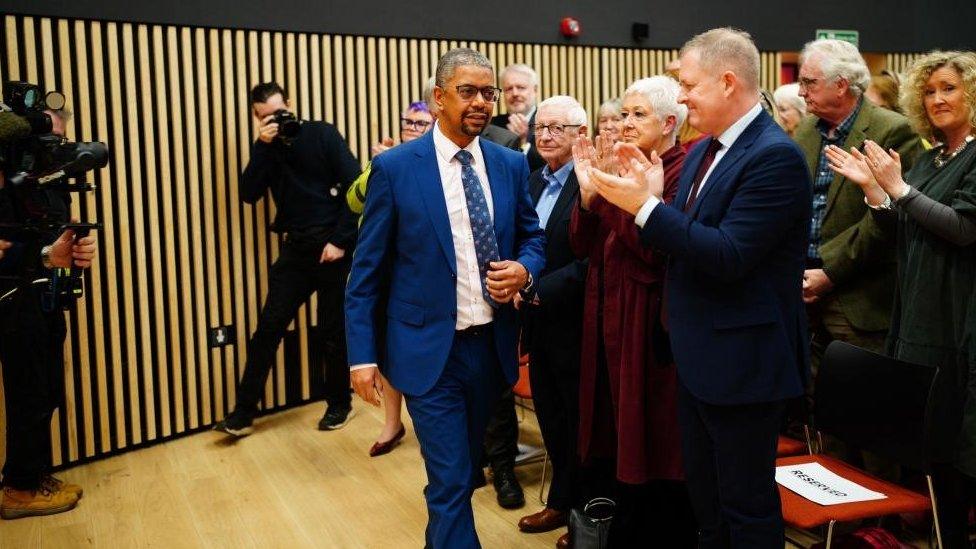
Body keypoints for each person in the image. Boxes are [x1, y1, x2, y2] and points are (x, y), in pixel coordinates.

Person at [585, 28, 812, 546]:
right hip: (695, 355)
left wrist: (643, 208)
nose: (682, 97)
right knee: (706, 502)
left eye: (688, 85)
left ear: (728, 82)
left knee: (745, 505)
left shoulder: (773, 156)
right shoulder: (705, 148)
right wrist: (650, 202)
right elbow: (681, 242)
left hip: (743, 363)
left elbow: (729, 255)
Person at [345, 48, 545, 548]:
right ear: (438, 98)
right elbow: (365, 273)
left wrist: (525, 269)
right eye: (467, 91)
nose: (480, 102)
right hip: (427, 352)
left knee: (462, 475)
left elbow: (533, 236)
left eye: (487, 92)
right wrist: (362, 357)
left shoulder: (508, 164)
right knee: (453, 478)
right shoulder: (394, 168)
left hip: (492, 348)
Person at [824, 50, 976, 549]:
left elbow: (962, 228)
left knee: (961, 450)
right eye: (930, 91)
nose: (937, 99)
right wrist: (878, 194)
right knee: (935, 452)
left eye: (949, 88)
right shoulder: (933, 157)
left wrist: (901, 191)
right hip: (918, 317)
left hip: (960, 319)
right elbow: (905, 232)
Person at [570, 76, 694, 546]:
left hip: (649, 323)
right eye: (623, 114)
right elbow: (581, 245)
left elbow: (655, 253)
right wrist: (587, 198)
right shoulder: (623, 162)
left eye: (637, 114)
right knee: (610, 432)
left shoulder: (680, 169)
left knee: (652, 441)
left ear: (669, 124)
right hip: (605, 314)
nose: (624, 123)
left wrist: (627, 199)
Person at [214, 82, 360, 437]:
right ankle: (243, 413)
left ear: (290, 105)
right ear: (256, 117)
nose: (275, 121)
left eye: (279, 113)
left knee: (332, 333)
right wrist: (263, 146)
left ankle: (339, 404)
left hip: (333, 249)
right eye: (266, 117)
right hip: (295, 250)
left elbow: (357, 188)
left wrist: (341, 241)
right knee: (267, 329)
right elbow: (249, 193)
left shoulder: (322, 134)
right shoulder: (267, 147)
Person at [793, 40, 922, 409]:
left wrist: (830, 272)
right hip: (803, 292)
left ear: (841, 85)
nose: (802, 92)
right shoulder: (805, 131)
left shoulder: (893, 131)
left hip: (860, 298)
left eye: (810, 82)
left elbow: (889, 219)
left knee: (872, 415)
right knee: (821, 412)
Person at [0, 108, 97, 519]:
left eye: (58, 139)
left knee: (48, 391)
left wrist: (77, 250)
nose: (52, 148)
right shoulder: (7, 183)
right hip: (14, 301)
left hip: (47, 298)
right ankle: (18, 489)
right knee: (29, 394)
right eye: (43, 139)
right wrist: (45, 254)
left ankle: (34, 475)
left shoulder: (53, 182)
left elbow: (59, 238)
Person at [512, 95, 588, 541]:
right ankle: (560, 501)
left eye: (558, 128)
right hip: (536, 323)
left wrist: (537, 290)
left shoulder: (589, 182)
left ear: (581, 134)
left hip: (576, 321)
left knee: (580, 425)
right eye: (541, 127)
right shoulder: (534, 180)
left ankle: (584, 515)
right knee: (552, 420)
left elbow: (592, 260)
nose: (546, 135)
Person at [346, 101, 433, 456]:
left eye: (421, 123)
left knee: (403, 346)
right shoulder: (385, 161)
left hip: (410, 270)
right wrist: (380, 166)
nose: (413, 127)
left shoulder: (429, 163)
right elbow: (354, 200)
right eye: (409, 121)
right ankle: (392, 421)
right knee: (382, 344)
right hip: (378, 266)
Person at [492, 63, 546, 171]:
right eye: (508, 89)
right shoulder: (492, 125)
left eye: (521, 88)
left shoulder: (548, 123)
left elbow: (551, 164)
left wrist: (523, 142)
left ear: (535, 90)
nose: (515, 93)